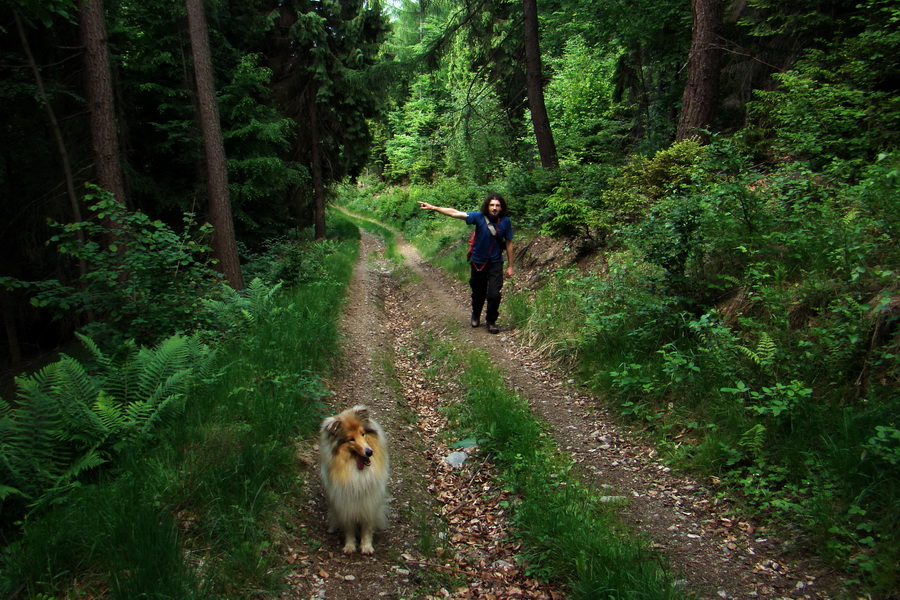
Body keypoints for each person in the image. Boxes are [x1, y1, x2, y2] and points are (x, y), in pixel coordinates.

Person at [419, 193, 514, 334]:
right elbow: (455, 213)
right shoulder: (478, 217)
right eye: (492, 205)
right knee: (478, 293)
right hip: (478, 263)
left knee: (494, 294)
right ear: (487, 206)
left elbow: (509, 243)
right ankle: (476, 314)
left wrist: (510, 266)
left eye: (497, 205)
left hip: (495, 263)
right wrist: (433, 207)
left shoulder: (505, 221)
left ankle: (491, 321)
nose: (494, 208)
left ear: (501, 208)